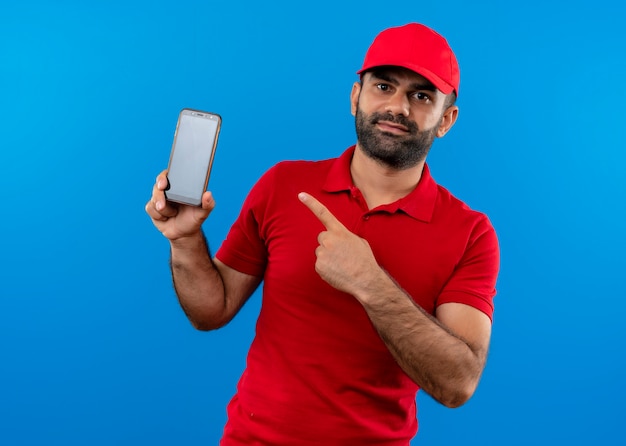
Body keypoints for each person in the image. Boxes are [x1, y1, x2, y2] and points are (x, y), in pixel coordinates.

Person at [146, 22, 500, 445]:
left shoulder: (471, 233)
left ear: (447, 119)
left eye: (421, 96)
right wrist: (185, 241)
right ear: (355, 97)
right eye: (383, 87)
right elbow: (211, 310)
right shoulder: (282, 185)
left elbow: (457, 383)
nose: (398, 107)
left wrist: (370, 283)